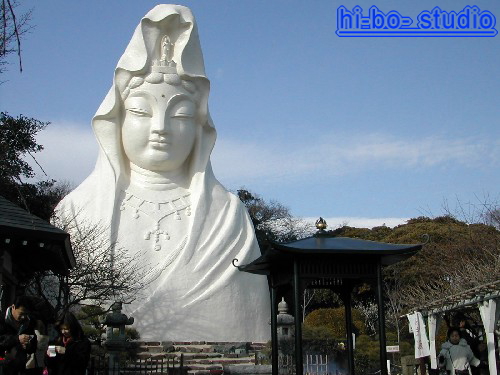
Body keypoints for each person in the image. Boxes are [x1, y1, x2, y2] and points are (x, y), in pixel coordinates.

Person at [55, 5, 270, 341]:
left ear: (200, 128)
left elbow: (248, 316)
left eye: (180, 115)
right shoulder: (76, 211)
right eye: (142, 111)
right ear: (118, 119)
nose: (161, 128)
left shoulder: (228, 214)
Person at [0, 296, 37, 374]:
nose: (23, 317)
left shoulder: (29, 323)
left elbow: (34, 346)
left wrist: (28, 345)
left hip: (19, 368)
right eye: (21, 313)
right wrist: (17, 339)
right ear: (13, 307)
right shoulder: (2, 320)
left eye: (26, 314)